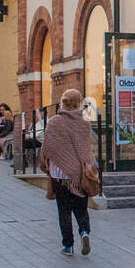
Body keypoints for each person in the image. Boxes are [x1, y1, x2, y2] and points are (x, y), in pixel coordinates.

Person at [40, 88, 97, 257]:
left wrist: (46, 160)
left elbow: (48, 147)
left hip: (60, 175)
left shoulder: (55, 121)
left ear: (63, 102)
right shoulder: (84, 121)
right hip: (79, 173)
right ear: (79, 102)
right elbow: (85, 148)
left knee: (64, 211)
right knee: (81, 208)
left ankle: (68, 246)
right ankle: (84, 232)